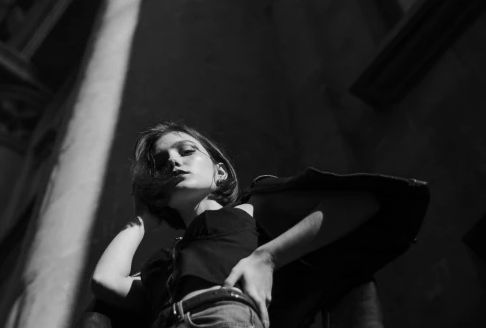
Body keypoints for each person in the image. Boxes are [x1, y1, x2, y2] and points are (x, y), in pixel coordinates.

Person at [89, 121, 393, 328]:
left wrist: (268, 257)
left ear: (219, 173)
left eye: (186, 151)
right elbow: (106, 282)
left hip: (226, 318)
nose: (172, 161)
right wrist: (140, 220)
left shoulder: (251, 207)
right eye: (160, 163)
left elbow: (361, 202)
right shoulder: (165, 262)